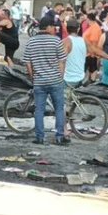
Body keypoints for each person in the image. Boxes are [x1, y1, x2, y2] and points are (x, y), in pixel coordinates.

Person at [24, 13, 69, 145]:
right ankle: (60, 136)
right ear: (48, 27)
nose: (55, 29)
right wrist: (60, 75)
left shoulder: (31, 41)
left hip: (39, 81)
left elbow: (27, 62)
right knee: (59, 109)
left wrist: (33, 77)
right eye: (53, 27)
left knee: (39, 110)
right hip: (55, 81)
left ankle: (39, 137)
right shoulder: (56, 41)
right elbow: (62, 60)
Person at [63, 20, 87, 87]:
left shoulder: (65, 42)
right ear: (78, 29)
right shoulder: (84, 41)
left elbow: (61, 60)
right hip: (80, 77)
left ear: (66, 29)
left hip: (67, 79)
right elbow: (96, 51)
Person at [82, 11, 103, 82]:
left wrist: (92, 54)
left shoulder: (95, 28)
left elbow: (94, 42)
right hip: (89, 52)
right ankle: (89, 80)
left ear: (88, 19)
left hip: (91, 53)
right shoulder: (93, 26)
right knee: (90, 68)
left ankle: (91, 81)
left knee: (92, 68)